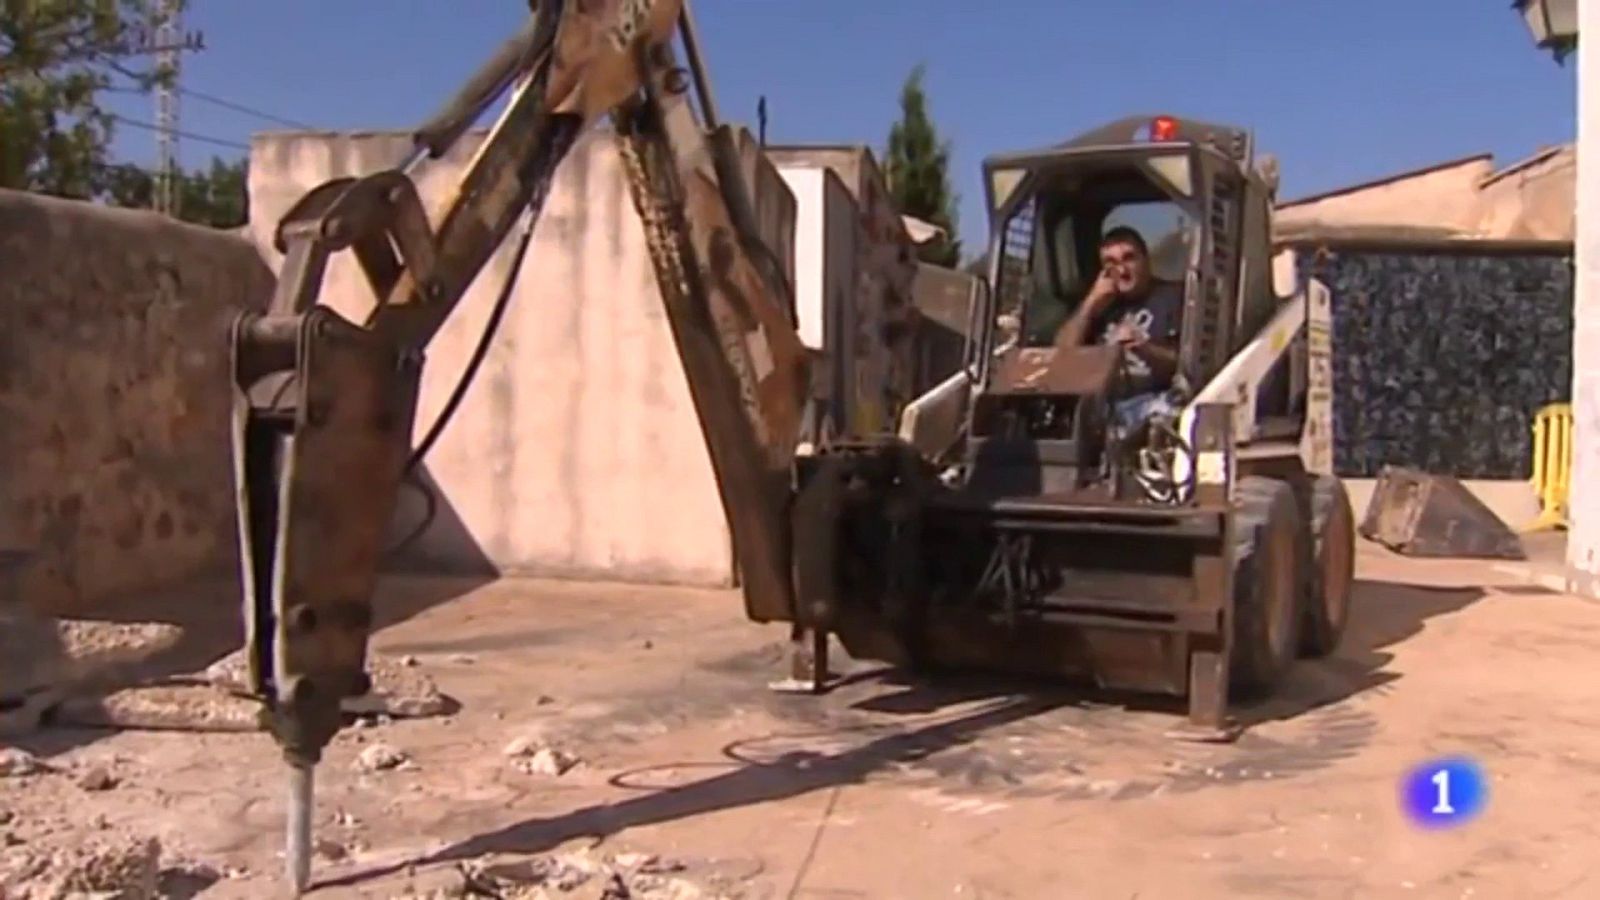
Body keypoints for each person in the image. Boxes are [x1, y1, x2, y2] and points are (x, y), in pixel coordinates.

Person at [1052, 226, 1184, 431]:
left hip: (1155, 407)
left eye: (1129, 259)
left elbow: (1185, 366)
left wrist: (1144, 348)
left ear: (1146, 261)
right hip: (1103, 409)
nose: (1122, 271)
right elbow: (1060, 356)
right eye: (1111, 263)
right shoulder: (1100, 306)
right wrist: (1090, 303)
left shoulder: (1174, 298)